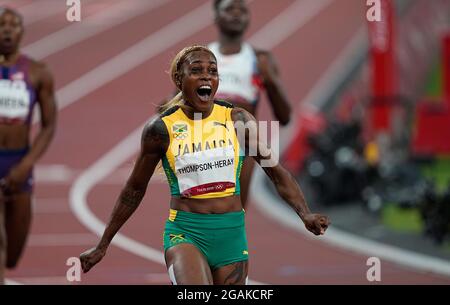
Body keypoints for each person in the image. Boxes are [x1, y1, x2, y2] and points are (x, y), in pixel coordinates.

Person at [79, 45, 329, 285]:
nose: (206, 76)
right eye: (196, 70)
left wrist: (304, 213)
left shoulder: (237, 120)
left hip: (230, 234)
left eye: (212, 71)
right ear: (179, 78)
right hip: (186, 233)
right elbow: (133, 189)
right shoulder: (160, 129)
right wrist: (103, 244)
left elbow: (275, 172)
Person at [0, 8, 57, 284]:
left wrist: (26, 165)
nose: (7, 30)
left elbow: (48, 125)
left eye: (13, 25)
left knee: (12, 253)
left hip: (19, 163)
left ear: (22, 32)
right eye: (2, 25)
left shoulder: (38, 73)